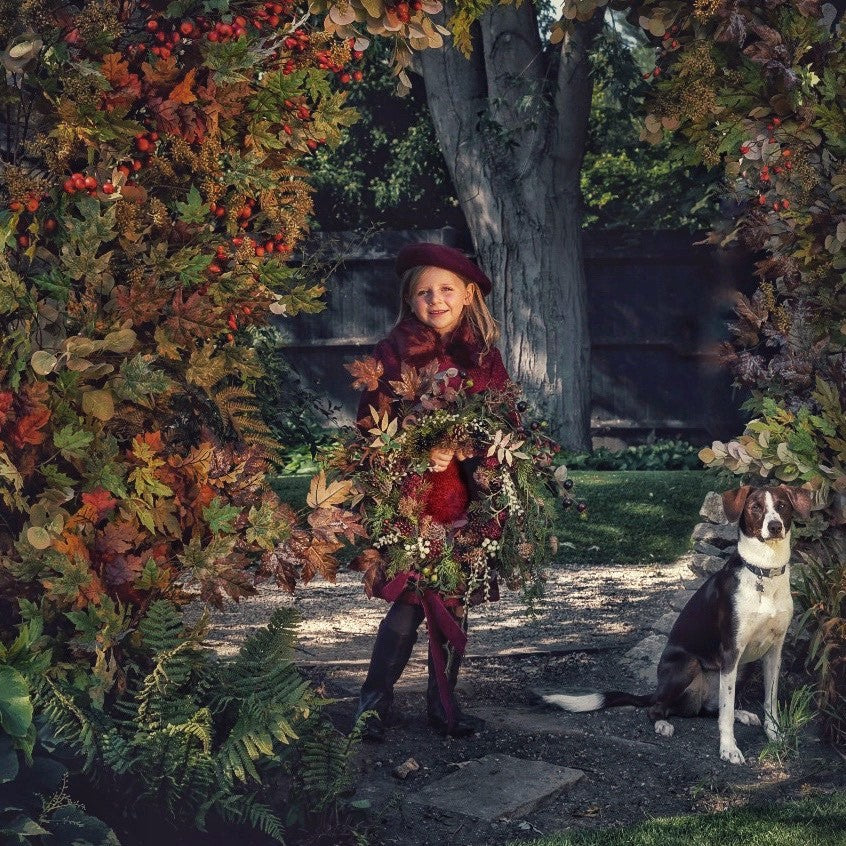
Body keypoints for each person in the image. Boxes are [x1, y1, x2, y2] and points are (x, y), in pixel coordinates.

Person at [353, 242, 511, 740]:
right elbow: (370, 424)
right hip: (412, 497)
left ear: (468, 295)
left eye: (446, 290)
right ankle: (373, 703)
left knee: (453, 598)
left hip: (466, 499)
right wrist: (419, 449)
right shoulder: (392, 353)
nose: (436, 300)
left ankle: (443, 705)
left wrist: (474, 447)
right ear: (409, 300)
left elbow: (505, 422)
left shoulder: (484, 358)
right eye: (424, 292)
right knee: (409, 601)